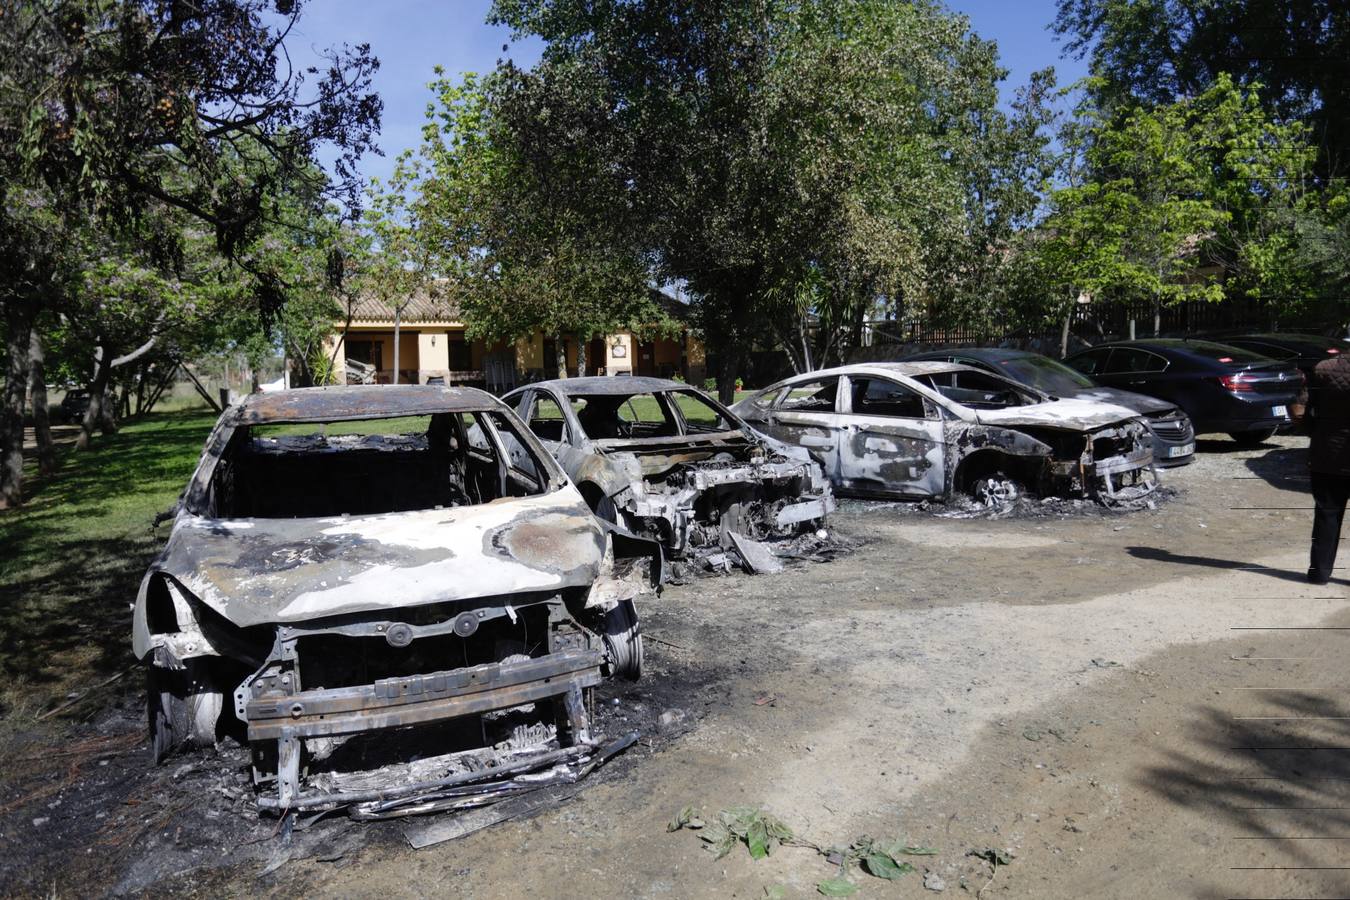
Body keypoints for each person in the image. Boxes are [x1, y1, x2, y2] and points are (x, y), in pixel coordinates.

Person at [1306, 345, 1350, 584]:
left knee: (1327, 514)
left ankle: (1319, 572)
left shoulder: (1323, 369)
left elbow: (1304, 409)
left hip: (1327, 454)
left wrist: (1316, 434)